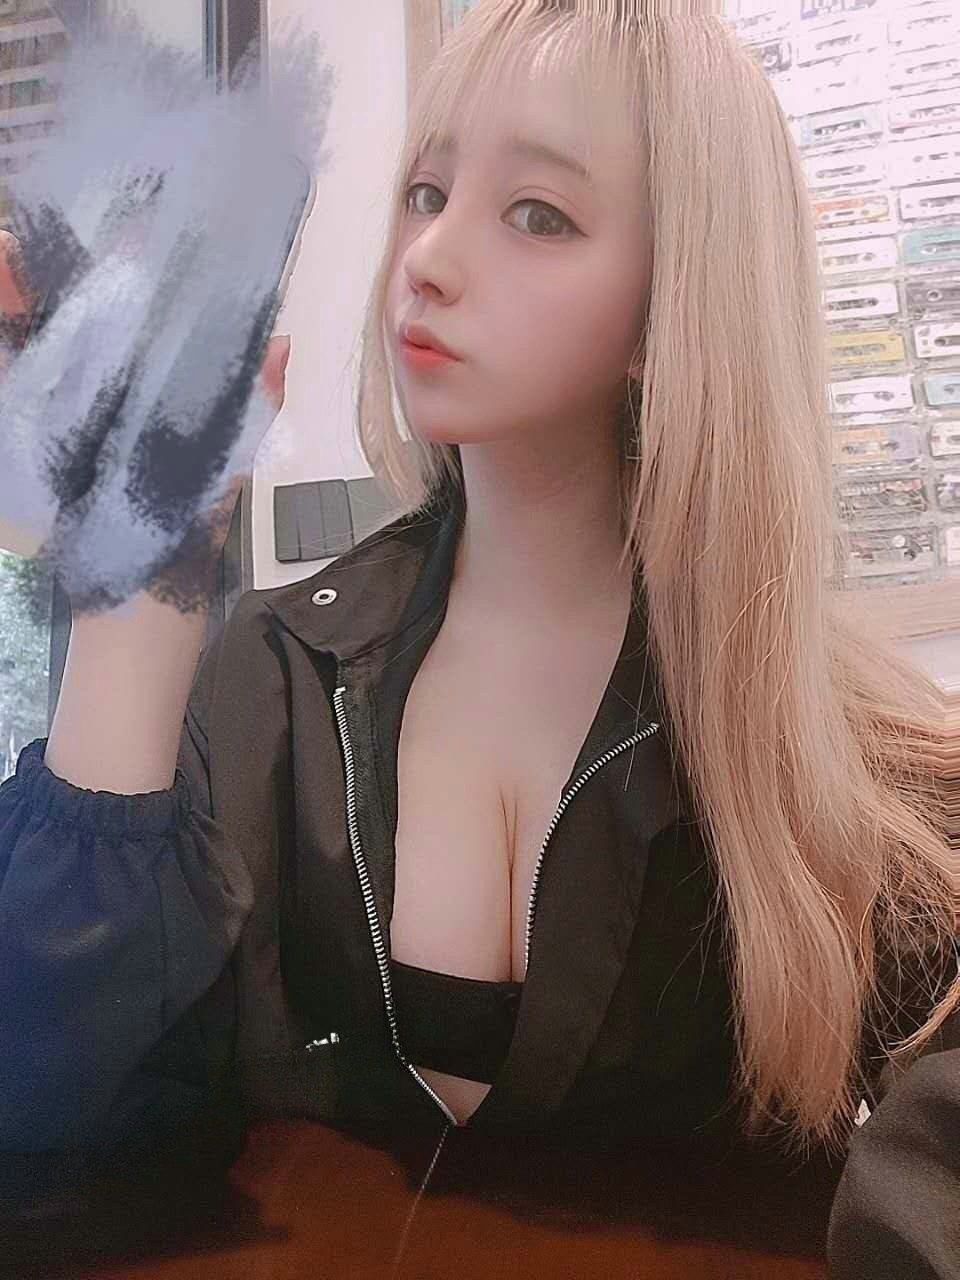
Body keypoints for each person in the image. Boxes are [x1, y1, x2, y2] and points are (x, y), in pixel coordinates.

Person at [0, 0, 957, 1268]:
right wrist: (141, 588)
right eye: (426, 191)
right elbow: (54, 1113)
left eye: (538, 214)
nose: (430, 258)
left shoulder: (835, 751)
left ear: (676, 299)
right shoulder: (275, 680)